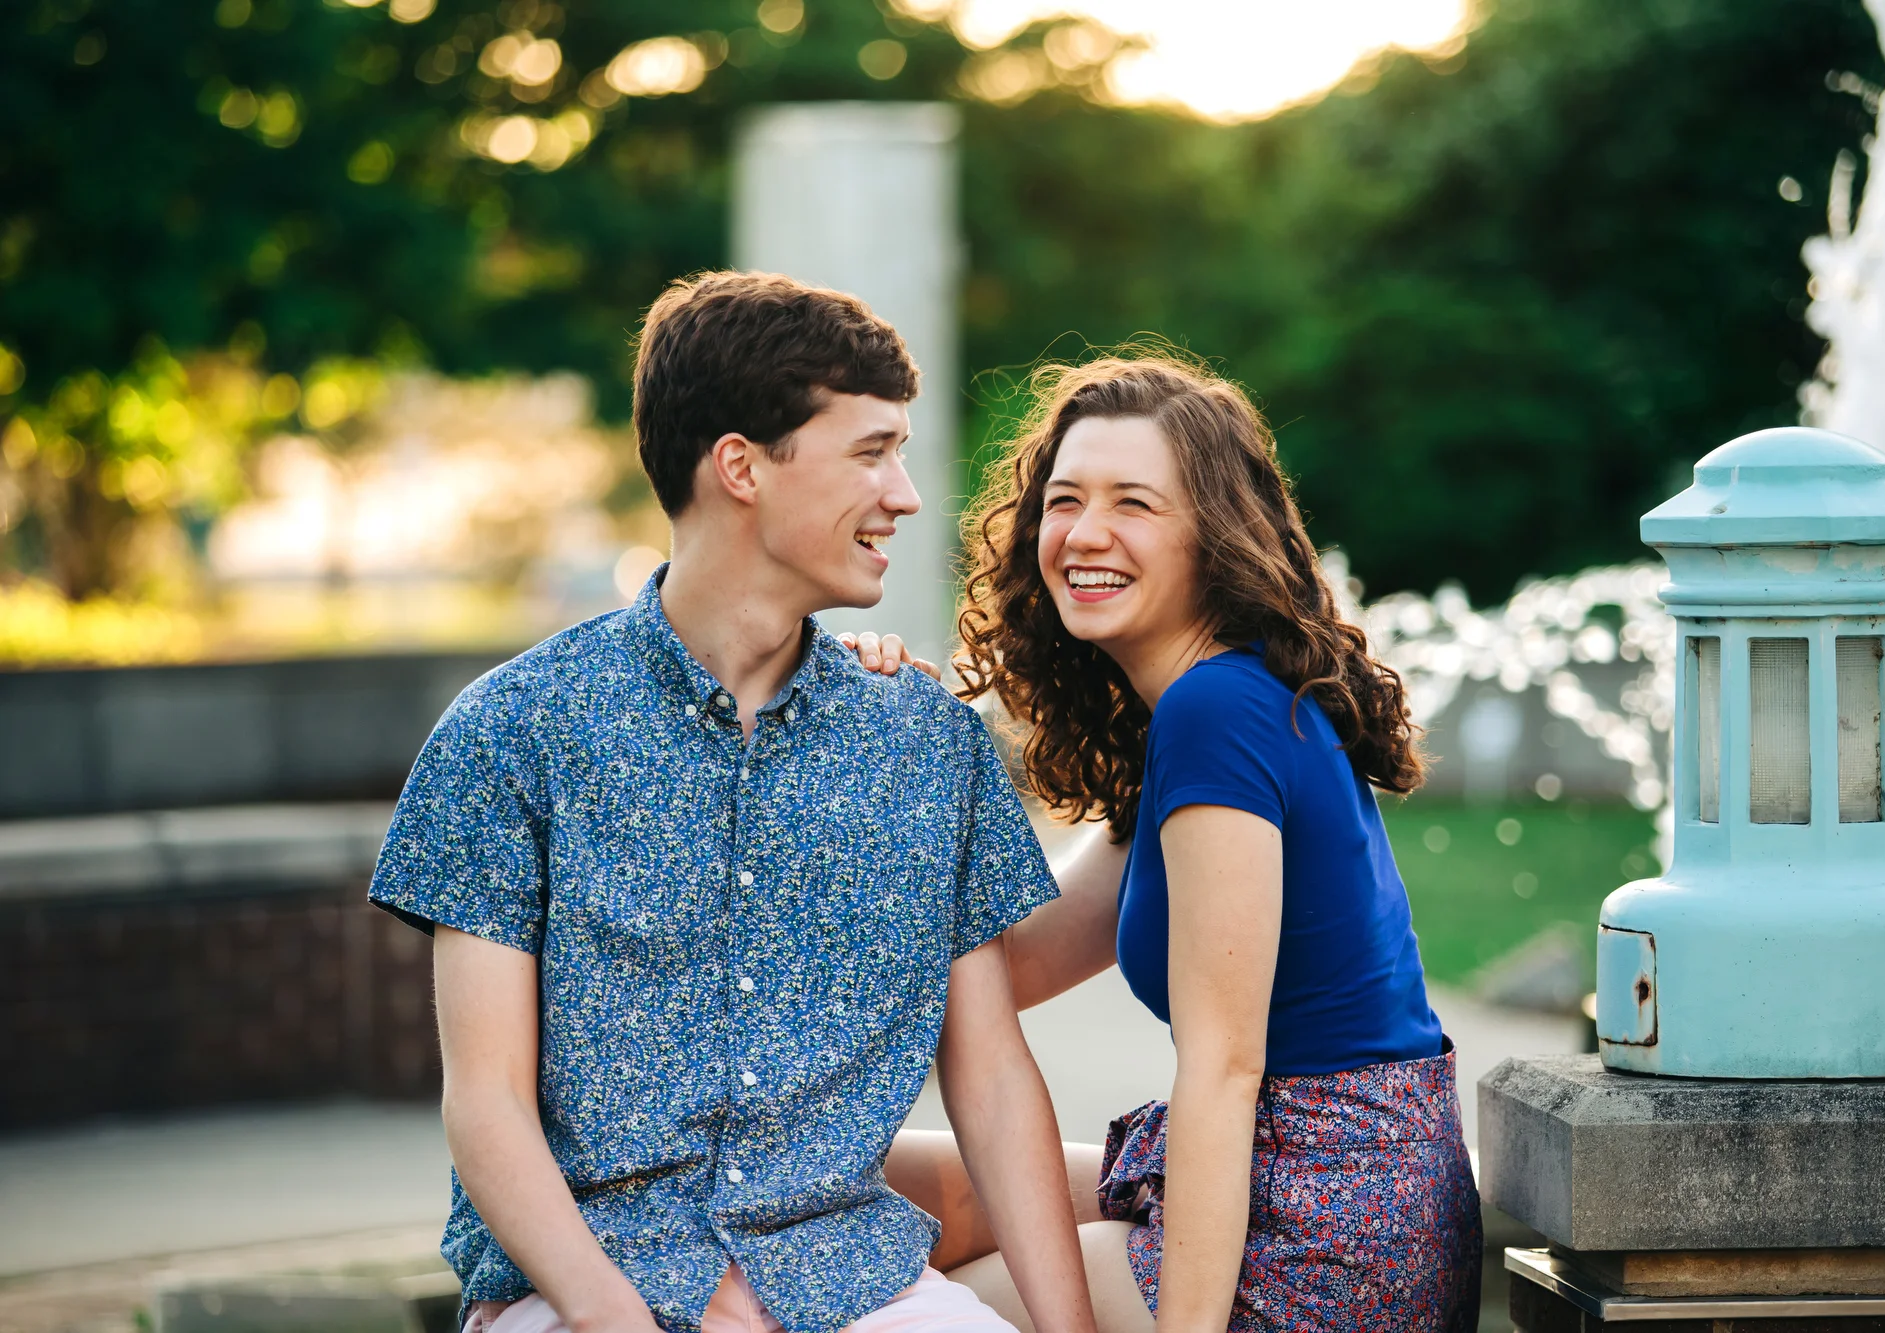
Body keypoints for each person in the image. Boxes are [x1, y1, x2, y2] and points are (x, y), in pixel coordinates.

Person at [368, 271, 1099, 1333]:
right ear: (741, 467)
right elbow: (485, 1107)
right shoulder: (510, 733)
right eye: (869, 452)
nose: (902, 493)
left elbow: (988, 1079)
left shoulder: (927, 744)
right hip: (582, 1291)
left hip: (855, 1283)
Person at [852, 355, 1483, 1333]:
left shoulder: (1216, 711)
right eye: (1064, 500)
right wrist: (868, 757)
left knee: (883, 1304)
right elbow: (991, 964)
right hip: (1319, 1188)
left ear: (1211, 537)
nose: (1085, 533)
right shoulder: (1201, 719)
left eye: (1132, 503)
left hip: (1326, 1242)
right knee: (860, 1184)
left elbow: (1224, 1070)